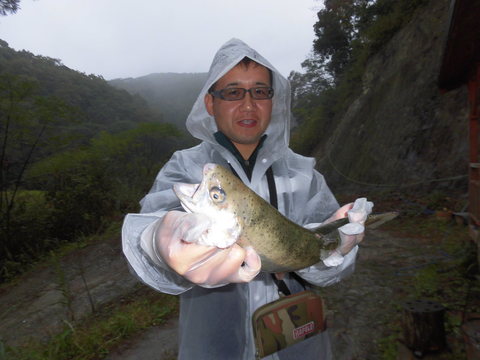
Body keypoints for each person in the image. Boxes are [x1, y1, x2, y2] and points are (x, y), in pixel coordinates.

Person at [122, 38, 371, 359]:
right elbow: (144, 249)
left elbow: (328, 273)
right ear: (210, 103)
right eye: (233, 92)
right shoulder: (185, 168)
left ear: (274, 100)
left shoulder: (305, 173)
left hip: (299, 344)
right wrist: (158, 243)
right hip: (214, 348)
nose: (249, 104)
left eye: (260, 92)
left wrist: (336, 250)